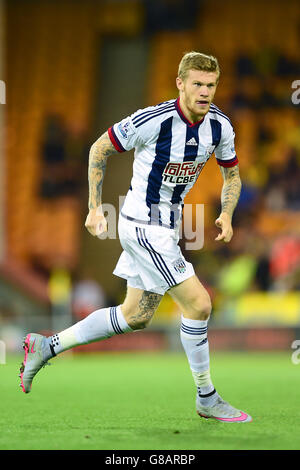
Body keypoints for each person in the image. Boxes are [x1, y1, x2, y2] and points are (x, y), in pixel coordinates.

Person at [20, 51, 252, 423]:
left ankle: (46, 346)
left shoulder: (220, 126)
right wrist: (95, 206)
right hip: (143, 224)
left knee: (135, 315)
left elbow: (233, 175)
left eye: (210, 85)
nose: (204, 92)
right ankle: (206, 397)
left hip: (168, 226)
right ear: (180, 83)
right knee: (200, 305)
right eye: (197, 84)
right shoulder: (153, 120)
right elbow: (100, 148)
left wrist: (226, 213)